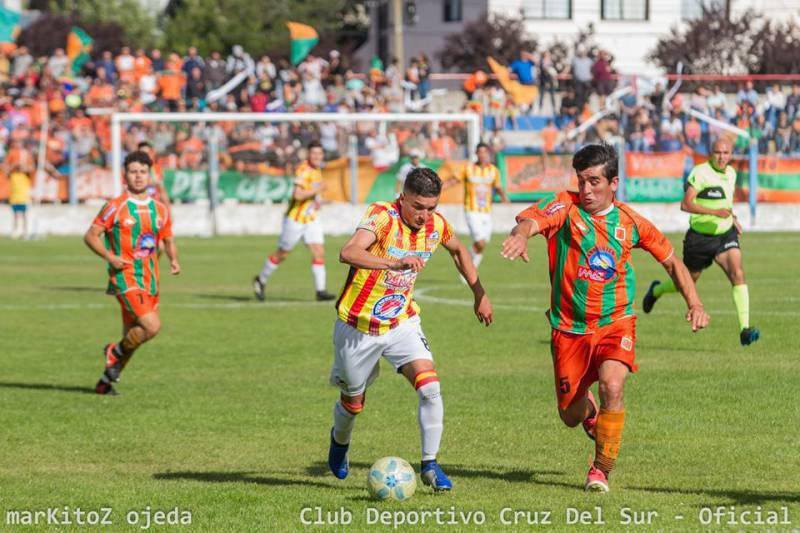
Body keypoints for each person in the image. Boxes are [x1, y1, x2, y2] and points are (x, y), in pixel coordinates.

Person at [501, 143, 709, 492]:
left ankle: (600, 470)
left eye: (594, 182)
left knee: (613, 385)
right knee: (570, 415)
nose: (585, 190)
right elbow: (528, 222)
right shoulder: (564, 206)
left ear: (613, 183)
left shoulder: (630, 222)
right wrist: (521, 237)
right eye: (581, 181)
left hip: (615, 322)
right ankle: (591, 415)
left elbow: (672, 261)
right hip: (568, 328)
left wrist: (695, 302)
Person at [327, 167, 493, 491]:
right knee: (353, 404)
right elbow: (348, 252)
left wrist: (479, 293)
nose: (424, 215)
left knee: (430, 387)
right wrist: (394, 262)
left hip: (401, 321)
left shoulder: (436, 225)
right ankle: (339, 442)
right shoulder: (382, 216)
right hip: (357, 328)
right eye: (418, 207)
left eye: (431, 208)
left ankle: (430, 465)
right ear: (403, 198)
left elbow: (459, 250)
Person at [643, 137, 759, 346]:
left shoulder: (731, 174)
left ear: (731, 154)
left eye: (726, 153)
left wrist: (732, 218)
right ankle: (656, 290)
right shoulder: (700, 173)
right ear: (710, 153)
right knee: (686, 282)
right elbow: (686, 204)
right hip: (699, 239)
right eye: (717, 153)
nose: (721, 157)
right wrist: (715, 212)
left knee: (738, 273)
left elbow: (726, 203)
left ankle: (745, 329)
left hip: (725, 234)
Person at [84, 151, 180, 395]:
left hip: (150, 280)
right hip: (125, 278)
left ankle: (104, 383)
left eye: (143, 172)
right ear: (124, 175)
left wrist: (173, 259)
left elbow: (168, 239)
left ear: (150, 175)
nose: (138, 176)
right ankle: (113, 351)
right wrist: (109, 256)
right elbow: (91, 236)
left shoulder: (160, 209)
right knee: (152, 326)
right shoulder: (115, 206)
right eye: (133, 172)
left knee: (133, 337)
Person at [253, 142, 335, 301]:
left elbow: (310, 194)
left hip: (311, 218)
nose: (317, 156)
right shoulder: (304, 170)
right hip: (295, 219)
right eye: (314, 153)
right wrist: (318, 189)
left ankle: (320, 291)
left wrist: (318, 201)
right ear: (308, 154)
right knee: (282, 254)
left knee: (318, 251)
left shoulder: (317, 170)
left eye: (319, 153)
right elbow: (297, 195)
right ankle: (261, 279)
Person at [445, 143, 509, 270]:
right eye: (480, 152)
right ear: (476, 154)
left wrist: (504, 197)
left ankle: (466, 263)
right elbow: (453, 180)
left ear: (488, 154)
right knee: (480, 242)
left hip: (486, 212)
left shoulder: (494, 171)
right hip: (471, 210)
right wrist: (439, 188)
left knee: (482, 244)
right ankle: (468, 268)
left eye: (485, 152)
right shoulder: (468, 169)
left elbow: (498, 187)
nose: (482, 155)